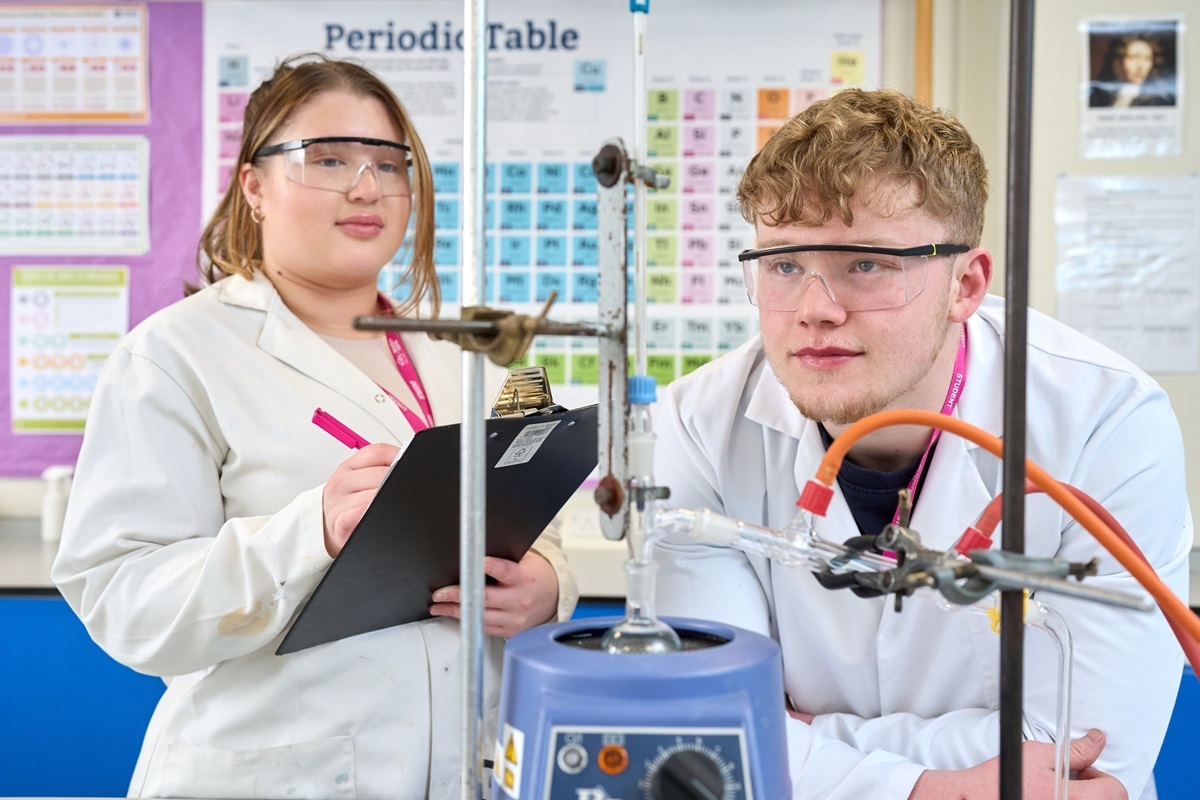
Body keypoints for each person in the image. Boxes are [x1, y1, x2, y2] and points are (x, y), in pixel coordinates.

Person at [52, 53, 578, 799]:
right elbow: (124, 599)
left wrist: (547, 588)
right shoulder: (173, 357)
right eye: (327, 158)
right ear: (254, 187)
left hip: (470, 768)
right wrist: (311, 533)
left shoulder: (470, 356)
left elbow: (542, 533)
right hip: (273, 775)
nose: (366, 187)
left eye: (388, 163)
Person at [652, 88, 1190, 799]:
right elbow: (709, 732)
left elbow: (1086, 744)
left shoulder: (1105, 419)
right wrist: (937, 787)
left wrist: (805, 737)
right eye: (783, 264)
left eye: (866, 264)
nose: (817, 309)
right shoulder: (697, 424)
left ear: (965, 283)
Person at [1089, 33, 1176, 108]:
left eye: (1147, 59)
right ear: (1120, 61)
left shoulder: (1160, 101)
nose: (1140, 66)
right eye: (1133, 57)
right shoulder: (1100, 96)